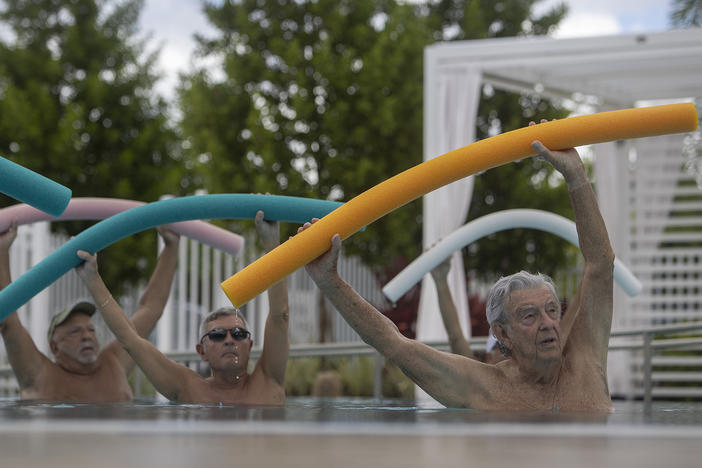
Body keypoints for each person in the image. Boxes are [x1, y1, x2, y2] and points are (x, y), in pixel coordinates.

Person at [301, 131, 614, 411]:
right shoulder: (483, 389)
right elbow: (392, 344)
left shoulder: (585, 364)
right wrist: (329, 280)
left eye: (551, 310)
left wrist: (576, 176)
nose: (548, 324)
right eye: (529, 316)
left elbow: (600, 265)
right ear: (502, 333)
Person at [75, 210, 289, 405]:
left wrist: (272, 244)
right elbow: (130, 340)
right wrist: (93, 280)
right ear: (201, 351)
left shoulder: (268, 380)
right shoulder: (188, 388)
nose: (229, 340)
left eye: (238, 333)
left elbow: (280, 316)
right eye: (216, 335)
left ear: (250, 345)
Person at [0, 222, 179, 401]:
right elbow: (8, 322)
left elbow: (150, 309)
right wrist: (1, 250)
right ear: (55, 347)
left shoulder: (114, 362)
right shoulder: (40, 373)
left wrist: (171, 247)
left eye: (91, 330)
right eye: (75, 331)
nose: (87, 336)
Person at [430, 257, 505, 364]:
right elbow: (455, 337)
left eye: (512, 347)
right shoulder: (477, 376)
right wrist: (441, 281)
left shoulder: (530, 377)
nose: (508, 353)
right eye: (501, 347)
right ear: (489, 356)